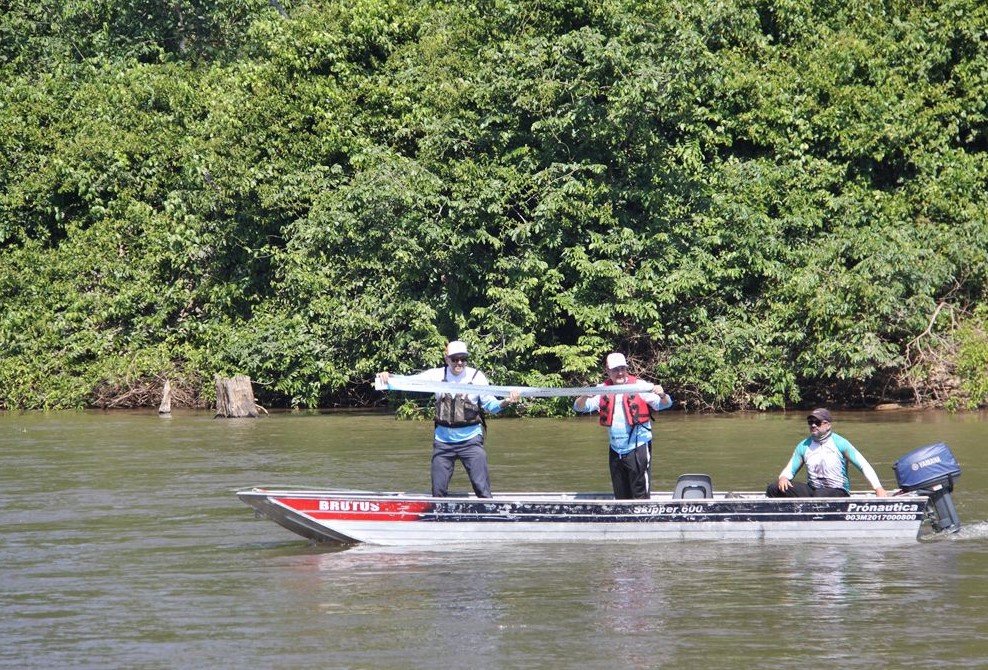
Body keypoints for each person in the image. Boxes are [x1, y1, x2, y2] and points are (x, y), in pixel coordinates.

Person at [376, 340, 520, 498]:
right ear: (446, 359)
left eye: (463, 359)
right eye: (455, 359)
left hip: (471, 441)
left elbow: (491, 406)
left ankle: (490, 513)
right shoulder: (436, 375)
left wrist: (506, 401)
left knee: (482, 488)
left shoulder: (477, 377)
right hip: (443, 442)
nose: (459, 363)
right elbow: (410, 381)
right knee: (438, 491)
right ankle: (439, 516)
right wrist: (388, 377)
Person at [573, 353, 673, 499]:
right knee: (620, 495)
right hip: (615, 449)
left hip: (637, 446)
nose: (619, 373)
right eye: (615, 370)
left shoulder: (640, 386)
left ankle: (643, 519)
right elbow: (579, 408)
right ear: (608, 371)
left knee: (639, 493)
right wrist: (584, 396)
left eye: (622, 369)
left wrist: (663, 395)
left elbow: (665, 405)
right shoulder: (602, 390)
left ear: (626, 369)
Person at [766, 408, 888, 498]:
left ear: (828, 425)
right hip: (813, 490)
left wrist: (878, 488)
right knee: (774, 488)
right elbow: (790, 469)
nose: (813, 425)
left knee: (820, 495)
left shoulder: (841, 444)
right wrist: (783, 477)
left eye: (817, 422)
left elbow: (863, 465)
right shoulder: (803, 446)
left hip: (838, 491)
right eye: (810, 422)